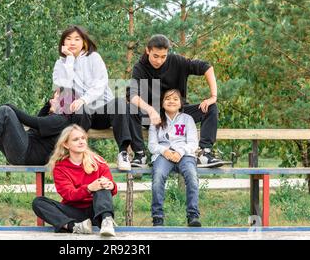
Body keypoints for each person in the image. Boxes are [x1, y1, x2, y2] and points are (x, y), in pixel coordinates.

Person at [52, 25, 145, 171]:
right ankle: (80, 156)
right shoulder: (60, 64)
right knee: (79, 109)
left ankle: (123, 153)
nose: (72, 42)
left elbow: (100, 85)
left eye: (77, 39)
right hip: (81, 116)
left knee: (119, 102)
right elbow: (64, 87)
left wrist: (83, 99)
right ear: (63, 43)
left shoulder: (93, 58)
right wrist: (69, 60)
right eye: (68, 39)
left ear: (84, 42)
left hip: (103, 112)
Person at [129, 34, 224, 168]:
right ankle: (140, 154)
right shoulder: (140, 68)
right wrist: (150, 110)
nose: (159, 61)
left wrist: (213, 96)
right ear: (148, 50)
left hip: (180, 114)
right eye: (155, 56)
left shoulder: (177, 61)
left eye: (163, 56)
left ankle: (204, 153)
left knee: (211, 107)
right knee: (129, 109)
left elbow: (206, 67)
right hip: (156, 118)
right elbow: (133, 95)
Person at [32, 124, 118, 236]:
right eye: (76, 139)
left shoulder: (98, 161)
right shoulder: (60, 167)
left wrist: (111, 185)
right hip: (73, 212)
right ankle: (75, 227)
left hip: (97, 211)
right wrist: (89, 188)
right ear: (66, 144)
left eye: (83, 138)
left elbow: (110, 190)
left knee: (102, 185)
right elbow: (69, 195)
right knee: (38, 203)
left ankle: (107, 222)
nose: (81, 142)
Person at [149, 89, 201, 227]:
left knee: (191, 175)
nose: (171, 101)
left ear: (180, 103)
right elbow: (152, 145)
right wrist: (164, 151)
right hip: (163, 155)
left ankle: (193, 215)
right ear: (162, 103)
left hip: (184, 155)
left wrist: (180, 152)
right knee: (158, 176)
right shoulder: (156, 120)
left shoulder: (187, 119)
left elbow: (193, 143)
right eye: (167, 98)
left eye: (175, 99)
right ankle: (157, 216)